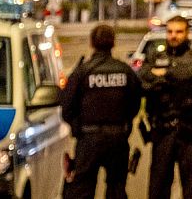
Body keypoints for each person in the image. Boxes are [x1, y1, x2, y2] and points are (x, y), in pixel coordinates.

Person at [61, 24, 143, 199]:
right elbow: (135, 103)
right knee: (116, 188)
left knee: (82, 189)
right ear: (113, 43)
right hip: (117, 139)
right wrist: (124, 124)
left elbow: (67, 107)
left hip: (88, 139)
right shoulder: (125, 71)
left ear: (92, 43)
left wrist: (78, 129)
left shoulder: (82, 72)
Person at [139, 15, 192, 199]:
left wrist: (165, 74)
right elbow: (144, 81)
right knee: (158, 188)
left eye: (179, 32)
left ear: (187, 33)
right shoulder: (155, 55)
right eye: (170, 31)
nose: (173, 36)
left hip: (189, 131)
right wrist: (180, 78)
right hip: (162, 130)